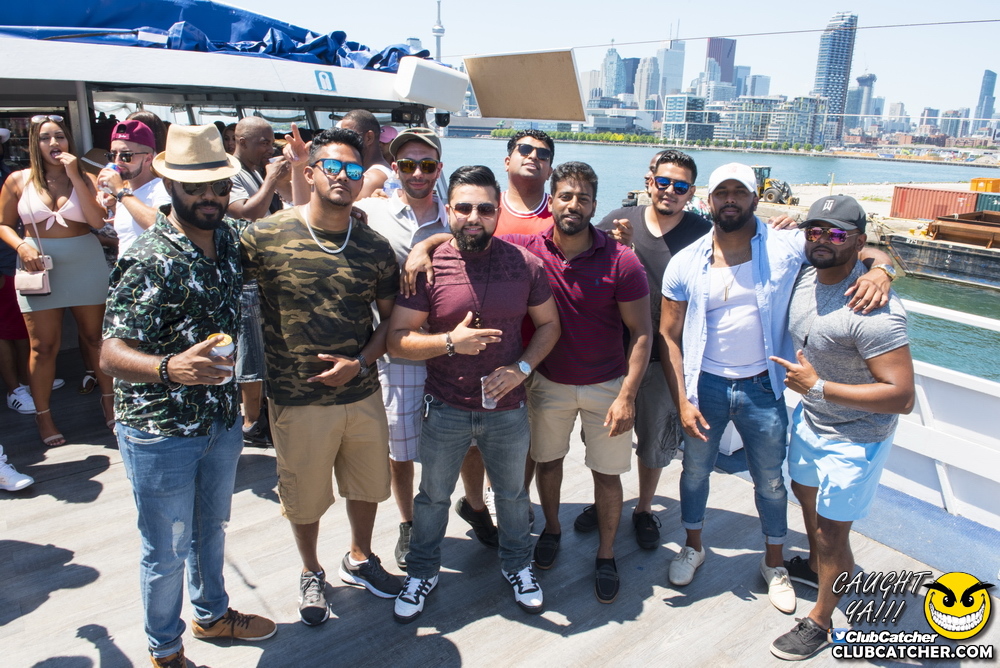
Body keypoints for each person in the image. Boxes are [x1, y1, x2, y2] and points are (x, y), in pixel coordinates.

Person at [659, 163, 895, 614]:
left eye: (740, 192)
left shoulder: (786, 244)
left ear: (755, 198)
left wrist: (882, 271)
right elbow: (668, 335)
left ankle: (774, 562)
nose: (730, 199)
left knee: (770, 481)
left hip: (763, 387)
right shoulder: (685, 261)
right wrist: (683, 400)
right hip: (705, 386)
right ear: (709, 200)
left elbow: (853, 247)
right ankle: (693, 546)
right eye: (722, 192)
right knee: (694, 472)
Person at [100, 123, 276, 668]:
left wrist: (426, 242)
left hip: (220, 420)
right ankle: (165, 649)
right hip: (161, 431)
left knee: (210, 531)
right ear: (170, 185)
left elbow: (288, 232)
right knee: (167, 549)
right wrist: (170, 367)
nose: (210, 197)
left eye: (219, 187)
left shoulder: (229, 239)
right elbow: (110, 353)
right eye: (195, 187)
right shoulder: (148, 258)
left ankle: (212, 614)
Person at [241, 127, 402, 627]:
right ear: (309, 173)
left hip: (361, 391)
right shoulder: (265, 236)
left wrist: (362, 362)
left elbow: (390, 322)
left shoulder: (374, 247)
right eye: (331, 167)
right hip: (297, 397)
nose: (342, 177)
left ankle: (360, 557)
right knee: (304, 497)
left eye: (353, 169)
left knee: (367, 485)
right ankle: (311, 570)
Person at [387, 164, 560, 623]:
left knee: (513, 497)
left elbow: (549, 325)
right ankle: (422, 572)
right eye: (463, 208)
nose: (473, 217)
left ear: (498, 211)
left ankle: (518, 566)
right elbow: (396, 340)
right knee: (432, 497)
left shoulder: (524, 264)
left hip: (507, 408)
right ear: (448, 210)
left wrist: (522, 369)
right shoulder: (428, 267)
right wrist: (450, 342)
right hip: (445, 406)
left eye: (484, 208)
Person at [769, 196, 914, 660]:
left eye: (836, 234)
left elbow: (902, 396)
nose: (822, 240)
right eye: (814, 230)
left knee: (833, 533)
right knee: (804, 495)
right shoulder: (806, 274)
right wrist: (882, 264)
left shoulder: (875, 310)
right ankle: (818, 567)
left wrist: (818, 387)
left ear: (857, 240)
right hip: (813, 419)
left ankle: (820, 620)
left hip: (857, 436)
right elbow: (873, 253)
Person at [578, 150, 711, 551]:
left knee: (654, 444)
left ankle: (644, 508)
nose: (670, 190)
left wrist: (876, 266)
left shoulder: (704, 233)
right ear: (650, 181)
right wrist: (615, 248)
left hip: (663, 358)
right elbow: (578, 253)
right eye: (664, 181)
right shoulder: (618, 219)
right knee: (604, 439)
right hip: (612, 356)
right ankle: (604, 500)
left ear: (691, 193)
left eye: (681, 186)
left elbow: (751, 242)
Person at [354, 127, 449, 570]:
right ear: (395, 168)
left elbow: (480, 237)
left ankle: (472, 505)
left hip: (450, 346)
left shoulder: (455, 214)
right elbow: (317, 213)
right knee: (401, 446)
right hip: (397, 348)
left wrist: (428, 243)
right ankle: (410, 522)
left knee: (464, 438)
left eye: (426, 165)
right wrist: (299, 170)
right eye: (408, 164)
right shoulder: (372, 210)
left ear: (438, 169)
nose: (417, 173)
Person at [0, 115, 114, 446]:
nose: (54, 143)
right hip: (38, 268)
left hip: (85, 262)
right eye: (45, 138)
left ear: (68, 141)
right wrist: (21, 246)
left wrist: (75, 174)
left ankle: (110, 404)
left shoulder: (85, 177)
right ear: (34, 144)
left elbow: (97, 221)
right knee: (43, 346)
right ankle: (44, 416)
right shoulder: (18, 180)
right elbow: (3, 224)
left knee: (95, 339)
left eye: (60, 137)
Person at [227, 116, 289, 447]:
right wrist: (272, 179)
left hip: (265, 272)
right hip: (245, 276)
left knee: (265, 348)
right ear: (241, 142)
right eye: (263, 142)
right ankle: (251, 422)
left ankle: (262, 412)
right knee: (250, 352)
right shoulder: (231, 172)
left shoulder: (255, 170)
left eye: (272, 142)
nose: (269, 148)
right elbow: (247, 212)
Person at [97, 120, 171, 257]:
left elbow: (160, 225)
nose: (117, 161)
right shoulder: (127, 193)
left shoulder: (161, 187)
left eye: (126, 155)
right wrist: (113, 203)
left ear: (148, 159)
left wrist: (120, 192)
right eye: (112, 155)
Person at [339, 110, 394, 199]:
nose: (343, 142)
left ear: (369, 137)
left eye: (348, 136)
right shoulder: (374, 173)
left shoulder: (371, 179)